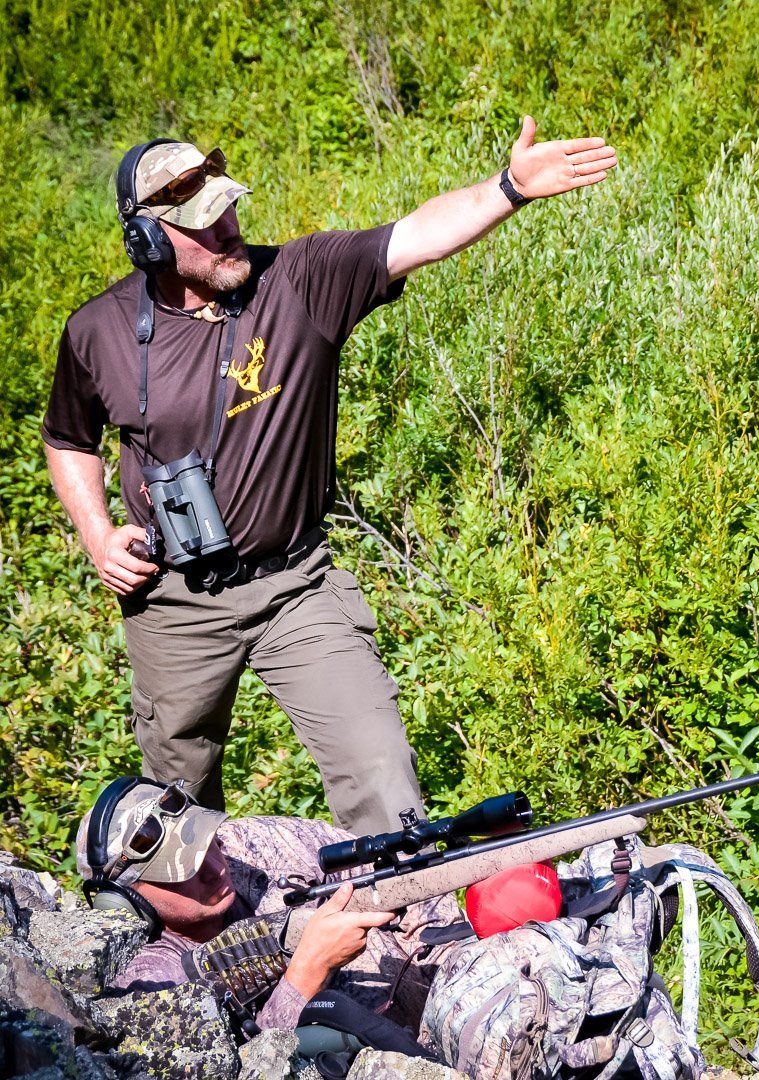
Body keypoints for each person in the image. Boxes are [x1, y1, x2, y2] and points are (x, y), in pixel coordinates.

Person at [42, 121, 617, 837]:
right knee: (178, 808)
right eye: (199, 222)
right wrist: (97, 534)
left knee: (383, 777)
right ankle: (205, 933)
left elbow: (416, 235)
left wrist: (509, 189)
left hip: (296, 587)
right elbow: (69, 438)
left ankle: (402, 924)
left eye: (226, 206)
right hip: (174, 604)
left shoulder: (301, 280)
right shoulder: (97, 332)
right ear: (148, 241)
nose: (224, 227)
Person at [76, 776, 469, 1032]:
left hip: (444, 1005)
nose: (216, 868)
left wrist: (453, 955)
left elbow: (400, 878)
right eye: (184, 870)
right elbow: (244, 1067)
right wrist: (307, 972)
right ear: (125, 900)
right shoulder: (146, 983)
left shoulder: (253, 844)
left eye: (207, 843)